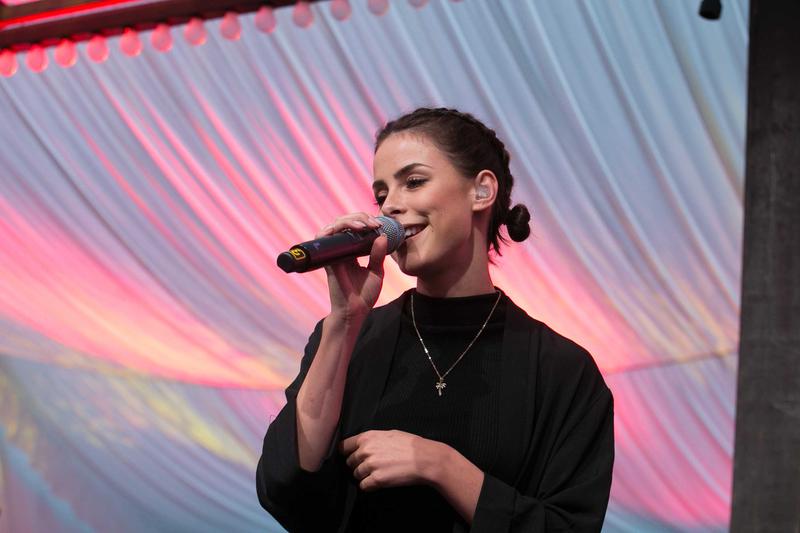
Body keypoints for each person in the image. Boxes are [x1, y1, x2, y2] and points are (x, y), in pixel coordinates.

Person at [256, 107, 614, 532]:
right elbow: (284, 488)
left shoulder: (560, 369)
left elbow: (569, 525)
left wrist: (441, 465)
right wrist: (344, 321)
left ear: (482, 191)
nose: (390, 206)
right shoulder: (352, 337)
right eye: (381, 195)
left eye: (413, 182)